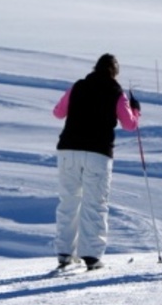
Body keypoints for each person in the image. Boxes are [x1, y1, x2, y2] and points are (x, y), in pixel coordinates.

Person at [52, 53, 141, 271]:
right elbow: (129, 125)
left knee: (68, 201)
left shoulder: (78, 86)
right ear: (115, 72)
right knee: (94, 203)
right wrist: (135, 110)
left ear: (95, 68)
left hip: (68, 149)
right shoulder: (116, 92)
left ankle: (64, 253)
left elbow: (58, 113)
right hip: (97, 153)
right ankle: (91, 255)